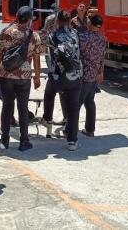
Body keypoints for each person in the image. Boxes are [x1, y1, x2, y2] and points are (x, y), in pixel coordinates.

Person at [0, 6, 42, 152]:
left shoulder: (6, 32)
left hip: (6, 75)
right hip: (24, 77)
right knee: (23, 107)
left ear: (16, 16)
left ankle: (5, 139)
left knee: (7, 106)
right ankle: (24, 141)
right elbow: (36, 58)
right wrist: (37, 77)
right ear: (29, 19)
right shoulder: (33, 36)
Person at [42, 10, 83, 151]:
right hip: (75, 76)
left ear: (57, 21)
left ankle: (47, 119)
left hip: (58, 76)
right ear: (70, 21)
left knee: (49, 93)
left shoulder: (52, 35)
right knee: (73, 109)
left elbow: (45, 49)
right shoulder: (75, 33)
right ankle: (72, 141)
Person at [78, 14, 107, 137]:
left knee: (76, 103)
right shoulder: (102, 39)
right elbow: (102, 58)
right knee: (90, 102)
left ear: (90, 23)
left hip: (84, 75)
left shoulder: (83, 37)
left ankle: (70, 130)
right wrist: (100, 72)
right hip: (94, 74)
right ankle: (90, 129)